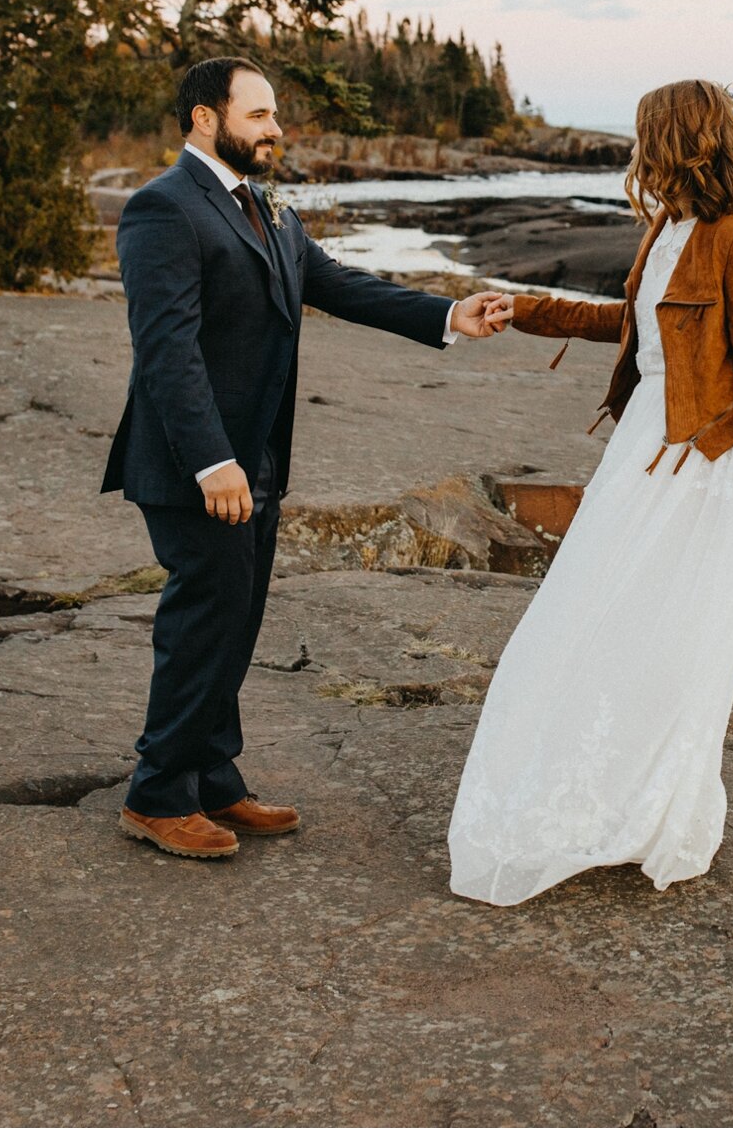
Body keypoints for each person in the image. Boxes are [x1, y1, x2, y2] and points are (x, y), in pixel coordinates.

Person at [102, 56, 514, 859]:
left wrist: (450, 314)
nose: (275, 129)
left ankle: (214, 780)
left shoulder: (268, 211)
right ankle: (157, 795)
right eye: (257, 115)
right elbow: (167, 350)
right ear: (203, 120)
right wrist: (212, 461)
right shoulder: (162, 210)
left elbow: (342, 284)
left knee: (238, 616)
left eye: (273, 115)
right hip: (198, 464)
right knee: (204, 618)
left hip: (255, 458)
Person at [446, 78, 733, 905]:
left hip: (706, 468)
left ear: (675, 140)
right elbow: (628, 327)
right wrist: (523, 308)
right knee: (591, 622)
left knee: (677, 645)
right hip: (643, 450)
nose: (637, 149)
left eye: (646, 134)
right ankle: (596, 798)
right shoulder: (665, 229)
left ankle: (656, 810)